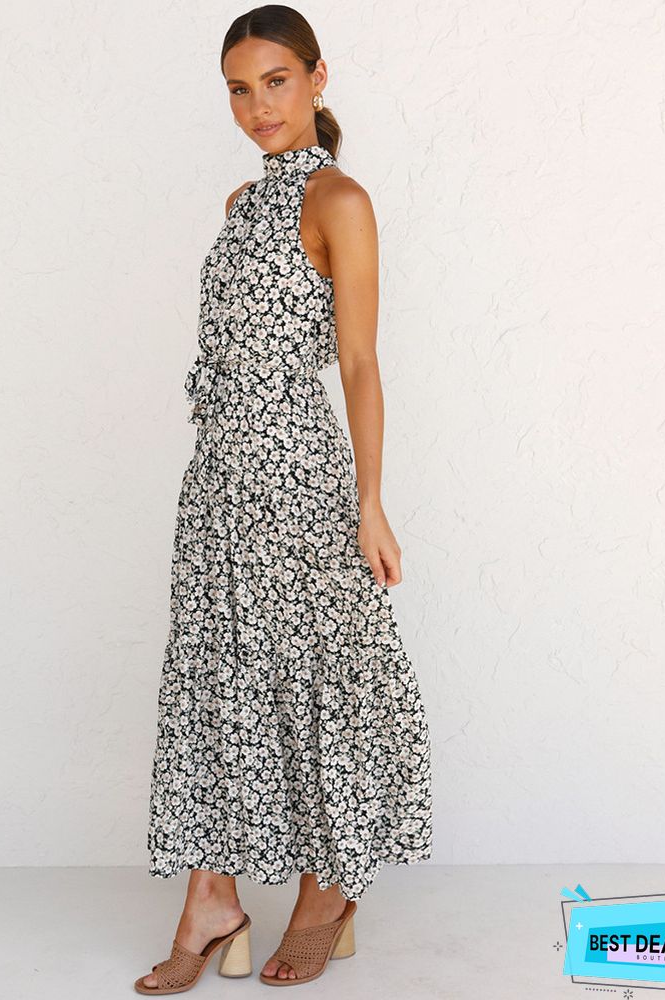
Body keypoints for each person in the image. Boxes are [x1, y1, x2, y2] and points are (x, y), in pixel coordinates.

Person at [136, 5, 434, 993]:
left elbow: (358, 361)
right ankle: (211, 898)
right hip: (217, 482)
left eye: (275, 81)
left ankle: (325, 892)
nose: (257, 105)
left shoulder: (340, 199)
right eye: (238, 88)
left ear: (316, 78)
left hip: (298, 480)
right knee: (217, 680)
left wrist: (371, 502)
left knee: (312, 679)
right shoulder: (238, 203)